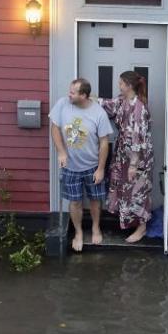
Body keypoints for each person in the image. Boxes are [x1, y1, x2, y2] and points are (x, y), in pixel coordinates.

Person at [50, 78, 112, 252]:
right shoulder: (62, 104)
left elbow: (104, 143)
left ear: (83, 95)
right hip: (70, 167)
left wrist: (100, 169)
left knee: (94, 200)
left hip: (92, 166)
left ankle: (95, 228)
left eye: (73, 92)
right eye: (70, 91)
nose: (68, 94)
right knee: (75, 202)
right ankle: (78, 232)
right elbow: (54, 128)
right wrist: (61, 152)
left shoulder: (98, 113)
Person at [98, 70, 154, 243]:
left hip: (138, 157)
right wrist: (89, 99)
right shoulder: (122, 101)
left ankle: (142, 228)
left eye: (121, 83)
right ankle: (129, 222)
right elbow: (107, 104)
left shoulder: (139, 108)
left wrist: (133, 164)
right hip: (123, 153)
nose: (119, 86)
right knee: (123, 187)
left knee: (138, 190)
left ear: (129, 86)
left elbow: (139, 138)